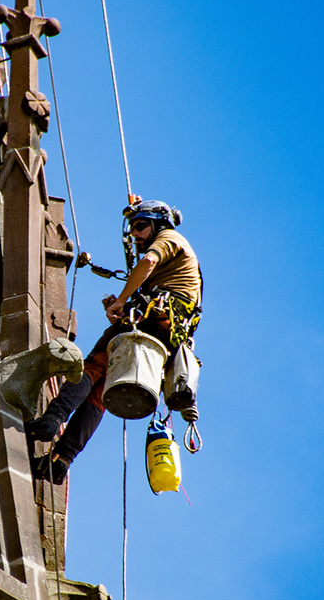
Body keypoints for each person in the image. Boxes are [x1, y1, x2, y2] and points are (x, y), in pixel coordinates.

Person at [28, 200, 202, 482]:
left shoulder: (169, 238)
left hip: (151, 320)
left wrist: (122, 301)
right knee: (99, 393)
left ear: (159, 224)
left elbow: (147, 262)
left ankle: (51, 420)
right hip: (164, 333)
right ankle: (60, 461)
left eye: (141, 226)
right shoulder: (177, 263)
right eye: (133, 228)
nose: (136, 234)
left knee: (93, 367)